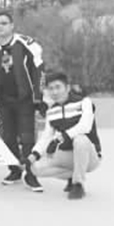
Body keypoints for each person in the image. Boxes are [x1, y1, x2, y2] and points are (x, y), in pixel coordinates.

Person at [0, 10, 46, 192]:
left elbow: (39, 71)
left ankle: (31, 175)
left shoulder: (27, 44)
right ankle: (14, 170)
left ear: (12, 25)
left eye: (4, 23)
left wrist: (38, 98)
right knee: (7, 138)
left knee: (27, 138)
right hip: (3, 102)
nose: (0, 26)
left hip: (24, 100)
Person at [26, 72, 102, 200]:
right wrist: (33, 155)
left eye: (58, 87)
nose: (54, 92)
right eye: (51, 88)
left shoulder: (84, 102)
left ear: (67, 88)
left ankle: (78, 184)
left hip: (89, 156)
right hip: (68, 155)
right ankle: (73, 175)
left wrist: (62, 137)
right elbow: (46, 137)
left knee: (80, 139)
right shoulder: (51, 111)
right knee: (35, 168)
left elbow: (85, 126)